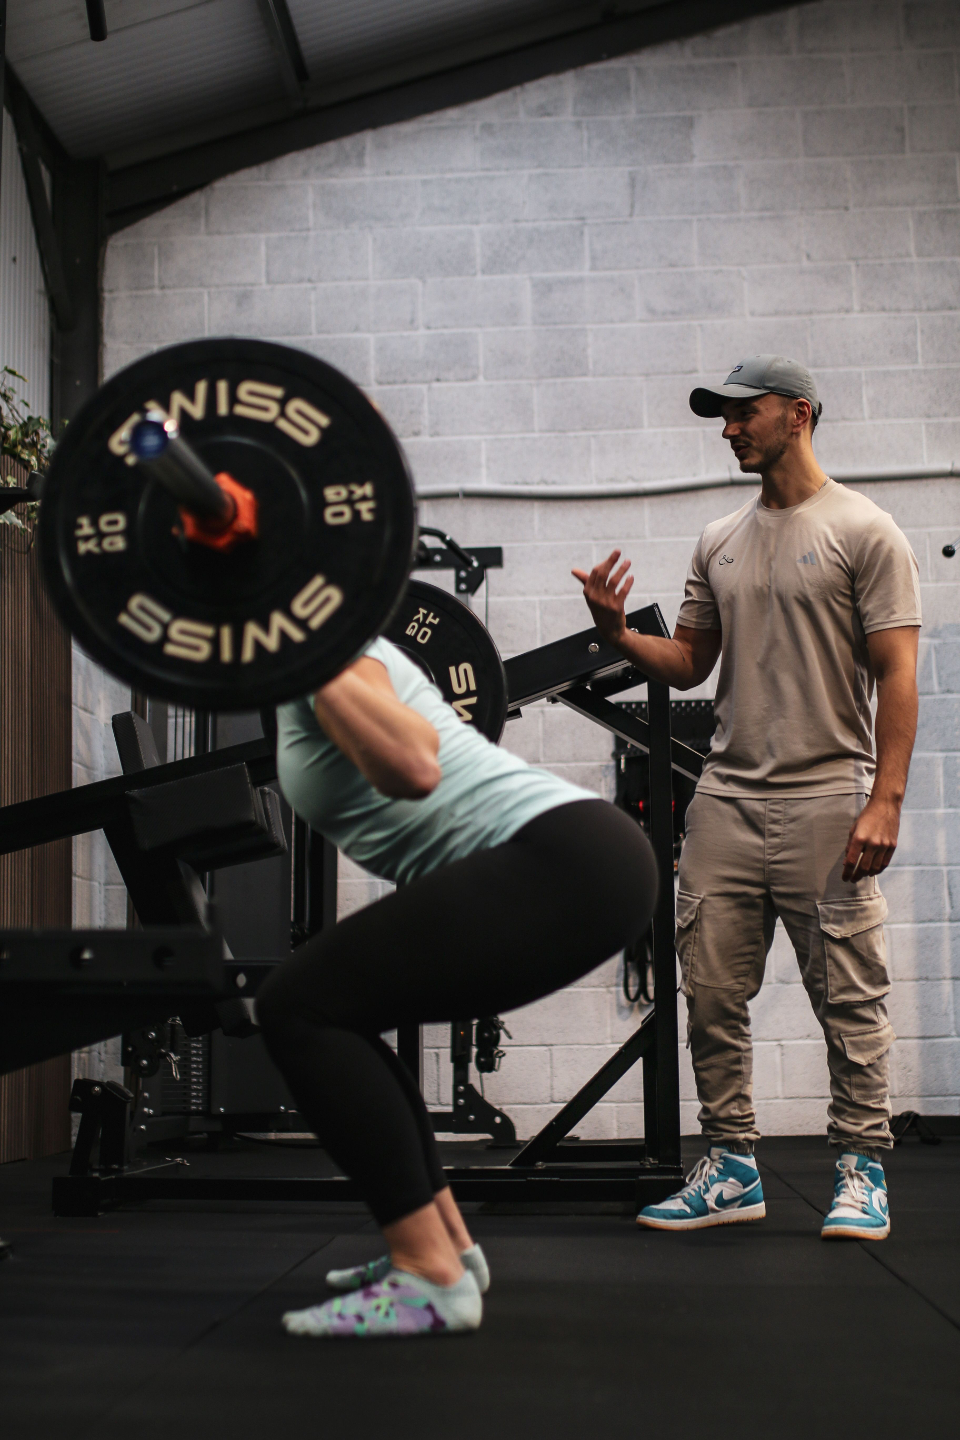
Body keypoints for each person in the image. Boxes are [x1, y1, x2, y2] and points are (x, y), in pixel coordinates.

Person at [573, 355, 921, 1243]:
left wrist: (885, 799)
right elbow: (691, 662)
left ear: (797, 414)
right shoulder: (719, 538)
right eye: (721, 418)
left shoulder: (865, 529)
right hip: (725, 797)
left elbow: (898, 673)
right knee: (709, 993)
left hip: (828, 793)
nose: (728, 429)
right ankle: (731, 1165)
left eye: (743, 413)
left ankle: (862, 1166)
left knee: (850, 997)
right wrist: (619, 636)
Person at [256, 634, 658, 1338]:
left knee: (298, 1006)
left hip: (561, 858)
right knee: (336, 1009)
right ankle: (446, 1249)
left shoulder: (322, 652)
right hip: (577, 855)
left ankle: (427, 1274)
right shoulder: (306, 665)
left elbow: (414, 764)